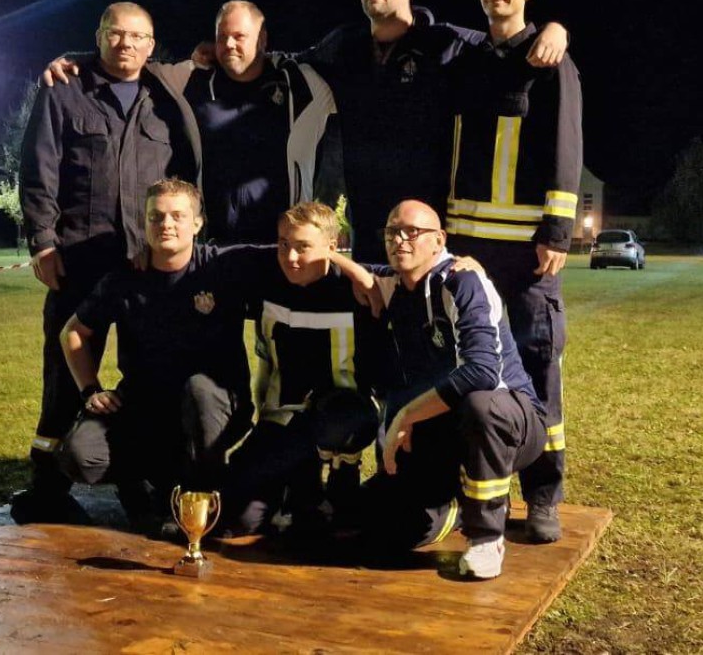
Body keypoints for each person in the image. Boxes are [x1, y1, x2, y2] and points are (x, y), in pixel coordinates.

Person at [13, 2, 201, 524]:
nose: (126, 45)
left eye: (138, 37)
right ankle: (48, 487)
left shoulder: (166, 94)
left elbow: (185, 172)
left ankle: (143, 481)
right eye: (115, 34)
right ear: (98, 36)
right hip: (78, 258)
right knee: (63, 373)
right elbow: (38, 168)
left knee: (149, 372)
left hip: (146, 264)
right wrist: (42, 242)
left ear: (152, 44)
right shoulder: (64, 89)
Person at [300, 0, 568, 263]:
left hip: (427, 231)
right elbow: (288, 64)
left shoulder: (446, 45)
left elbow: (505, 46)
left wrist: (555, 31)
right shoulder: (343, 47)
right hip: (368, 228)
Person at [445, 0, 583, 543]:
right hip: (468, 247)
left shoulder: (550, 61)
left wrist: (557, 231)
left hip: (527, 253)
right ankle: (480, 490)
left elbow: (565, 147)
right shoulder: (465, 61)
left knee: (537, 364)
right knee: (472, 366)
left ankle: (544, 496)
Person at [338, 200, 547, 580]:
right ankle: (451, 503)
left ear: (439, 240)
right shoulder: (393, 282)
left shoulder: (462, 281)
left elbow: (482, 372)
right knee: (372, 525)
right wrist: (328, 254)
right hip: (442, 428)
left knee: (480, 405)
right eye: (392, 232)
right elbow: (333, 265)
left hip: (511, 421)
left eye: (412, 232)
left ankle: (486, 535)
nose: (399, 240)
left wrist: (406, 415)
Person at [44, 0, 336, 245]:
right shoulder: (190, 79)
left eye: (239, 36)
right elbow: (132, 62)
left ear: (262, 39)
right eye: (222, 37)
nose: (229, 44)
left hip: (285, 248)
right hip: (214, 248)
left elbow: (342, 71)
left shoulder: (302, 84)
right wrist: (77, 62)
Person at [57, 178, 254, 534]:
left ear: (198, 223)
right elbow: (73, 332)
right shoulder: (125, 277)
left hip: (213, 406)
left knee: (199, 391)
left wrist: (352, 270)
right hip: (146, 406)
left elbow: (297, 254)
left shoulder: (225, 266)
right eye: (156, 217)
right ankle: (145, 486)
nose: (166, 224)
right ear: (145, 222)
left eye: (178, 216)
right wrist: (91, 389)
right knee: (80, 455)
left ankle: (203, 496)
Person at [218, 201, 378, 537]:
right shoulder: (265, 274)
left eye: (303, 247)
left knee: (340, 420)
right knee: (241, 518)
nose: (290, 257)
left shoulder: (356, 287)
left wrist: (467, 265)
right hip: (282, 418)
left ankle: (337, 484)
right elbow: (200, 255)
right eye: (283, 244)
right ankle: (294, 492)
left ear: (332, 247)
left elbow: (421, 271)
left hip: (340, 417)